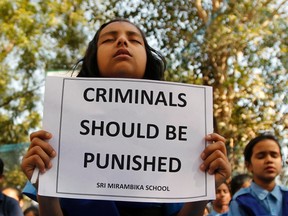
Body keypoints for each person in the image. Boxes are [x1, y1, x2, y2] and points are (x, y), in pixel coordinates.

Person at [21, 18, 231, 216]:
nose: (122, 41)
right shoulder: (60, 128)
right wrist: (45, 188)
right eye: (109, 39)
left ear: (148, 57)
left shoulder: (179, 131)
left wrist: (204, 189)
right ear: (93, 56)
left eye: (134, 40)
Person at [228, 134, 288, 215]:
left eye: (274, 155)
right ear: (248, 165)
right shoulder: (240, 201)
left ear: (281, 161)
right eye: (261, 156)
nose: (269, 160)